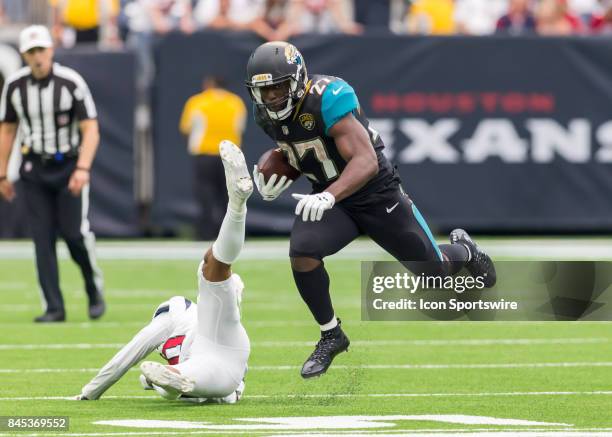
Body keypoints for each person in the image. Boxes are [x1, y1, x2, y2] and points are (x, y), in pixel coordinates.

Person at [246, 42, 496, 379]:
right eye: (265, 91)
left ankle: (465, 250)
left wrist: (329, 195)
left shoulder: (328, 97)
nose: (273, 98)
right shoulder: (265, 114)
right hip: (331, 196)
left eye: (278, 87)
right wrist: (275, 174)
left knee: (433, 273)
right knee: (303, 251)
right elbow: (301, 151)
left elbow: (364, 161)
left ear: (299, 78)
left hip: (375, 193)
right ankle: (331, 334)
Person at [75, 140, 252, 402]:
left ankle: (170, 383)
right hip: (231, 351)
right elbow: (232, 291)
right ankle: (237, 207)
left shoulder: (171, 318)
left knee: (179, 382)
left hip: (214, 360)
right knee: (213, 263)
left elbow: (128, 354)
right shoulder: (197, 314)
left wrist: (90, 392)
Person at [0, 25, 105, 323]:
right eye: (31, 52)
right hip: (34, 167)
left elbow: (90, 129)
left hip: (69, 166)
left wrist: (83, 168)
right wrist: (3, 174)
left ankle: (92, 287)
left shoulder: (71, 82)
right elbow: (7, 129)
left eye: (41, 50)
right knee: (42, 239)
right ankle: (54, 306)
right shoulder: (16, 86)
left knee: (74, 235)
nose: (37, 57)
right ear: (24, 55)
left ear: (51, 50)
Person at [179, 76, 247, 240]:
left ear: (208, 85)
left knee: (205, 195)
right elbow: (240, 127)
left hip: (204, 153)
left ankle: (205, 233)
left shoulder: (197, 101)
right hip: (229, 156)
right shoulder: (236, 102)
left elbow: (185, 128)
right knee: (229, 196)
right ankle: (229, 233)